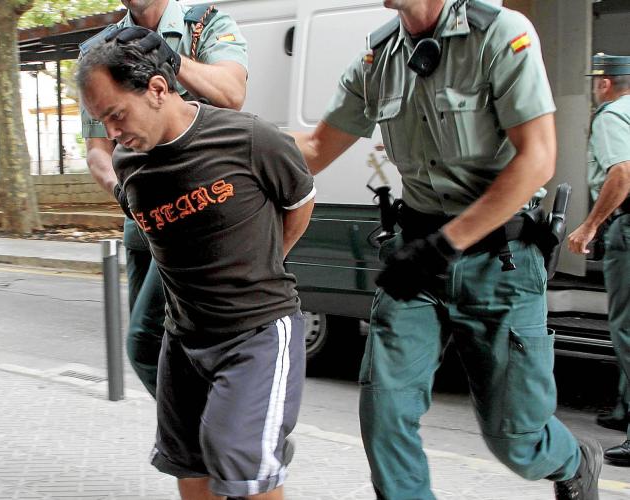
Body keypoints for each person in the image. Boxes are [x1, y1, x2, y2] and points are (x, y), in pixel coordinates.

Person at [292, 0, 603, 498]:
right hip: (416, 265)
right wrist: (215, 138)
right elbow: (314, 149)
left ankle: (573, 460)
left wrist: (445, 245)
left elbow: (538, 158)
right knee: (386, 416)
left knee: (517, 440)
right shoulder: (380, 57)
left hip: (499, 262)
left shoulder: (499, 34)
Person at [77, 27, 315, 500]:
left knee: (241, 459)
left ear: (157, 89)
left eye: (116, 114)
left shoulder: (248, 137)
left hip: (256, 333)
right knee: (187, 463)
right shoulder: (130, 166)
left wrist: (266, 263)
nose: (112, 134)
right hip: (183, 340)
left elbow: (300, 201)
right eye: (102, 121)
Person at [78, 0, 248, 397]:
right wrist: (123, 193)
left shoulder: (204, 25)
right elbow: (98, 152)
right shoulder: (99, 51)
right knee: (162, 349)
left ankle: (219, 424)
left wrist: (168, 56)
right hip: (140, 218)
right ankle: (200, 428)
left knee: (145, 340)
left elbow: (232, 93)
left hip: (195, 210)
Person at [568, 52, 630, 467]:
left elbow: (621, 173)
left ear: (605, 83)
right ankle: (624, 407)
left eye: (595, 80)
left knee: (627, 328)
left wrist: (590, 225)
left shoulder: (611, 115)